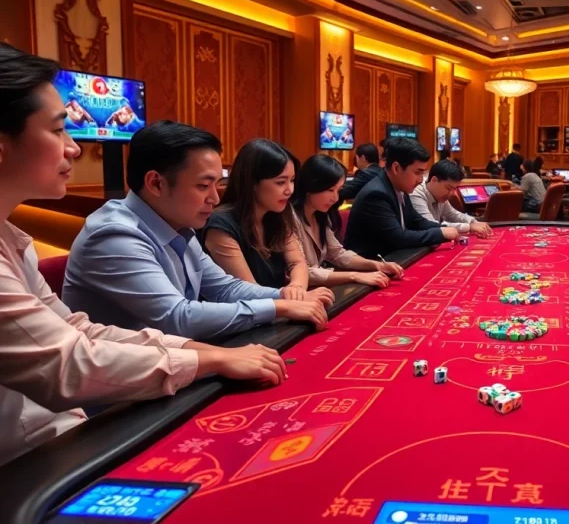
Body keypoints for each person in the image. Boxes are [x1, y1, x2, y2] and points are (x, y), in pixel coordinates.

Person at [0, 44, 289, 465]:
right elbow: (69, 364)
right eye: (59, 129)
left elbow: (79, 330)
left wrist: (209, 355)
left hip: (66, 430)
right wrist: (206, 359)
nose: (74, 148)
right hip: (28, 463)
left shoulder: (12, 239)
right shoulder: (113, 233)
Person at [63, 122, 331, 340]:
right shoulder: (115, 235)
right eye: (203, 186)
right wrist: (278, 306)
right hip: (120, 395)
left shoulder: (179, 225)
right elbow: (178, 318)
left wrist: (286, 295)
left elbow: (225, 289)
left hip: (173, 365)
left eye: (217, 185)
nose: (215, 198)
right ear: (156, 183)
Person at [203, 140, 329, 300]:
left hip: (277, 309)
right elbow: (247, 290)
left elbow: (297, 263)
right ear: (253, 182)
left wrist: (296, 288)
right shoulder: (220, 224)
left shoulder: (278, 214)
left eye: (292, 180)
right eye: (280, 182)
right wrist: (291, 298)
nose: (289, 190)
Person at [292, 154, 405, 288]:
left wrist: (376, 265)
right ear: (311, 186)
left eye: (339, 190)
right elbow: (302, 272)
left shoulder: (320, 214)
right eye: (330, 190)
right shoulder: (289, 218)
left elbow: (338, 254)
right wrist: (355, 275)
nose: (335, 198)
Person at [344, 137, 459, 257]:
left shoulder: (400, 187)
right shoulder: (376, 194)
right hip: (370, 267)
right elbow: (397, 238)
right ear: (396, 168)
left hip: (393, 259)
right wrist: (440, 233)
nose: (420, 180)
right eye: (417, 172)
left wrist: (443, 228)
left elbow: (417, 222)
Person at [411, 159, 492, 237]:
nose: (452, 193)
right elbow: (431, 225)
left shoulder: (440, 195)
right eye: (449, 188)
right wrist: (469, 227)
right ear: (434, 180)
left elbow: (452, 214)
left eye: (454, 189)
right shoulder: (416, 193)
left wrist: (474, 222)